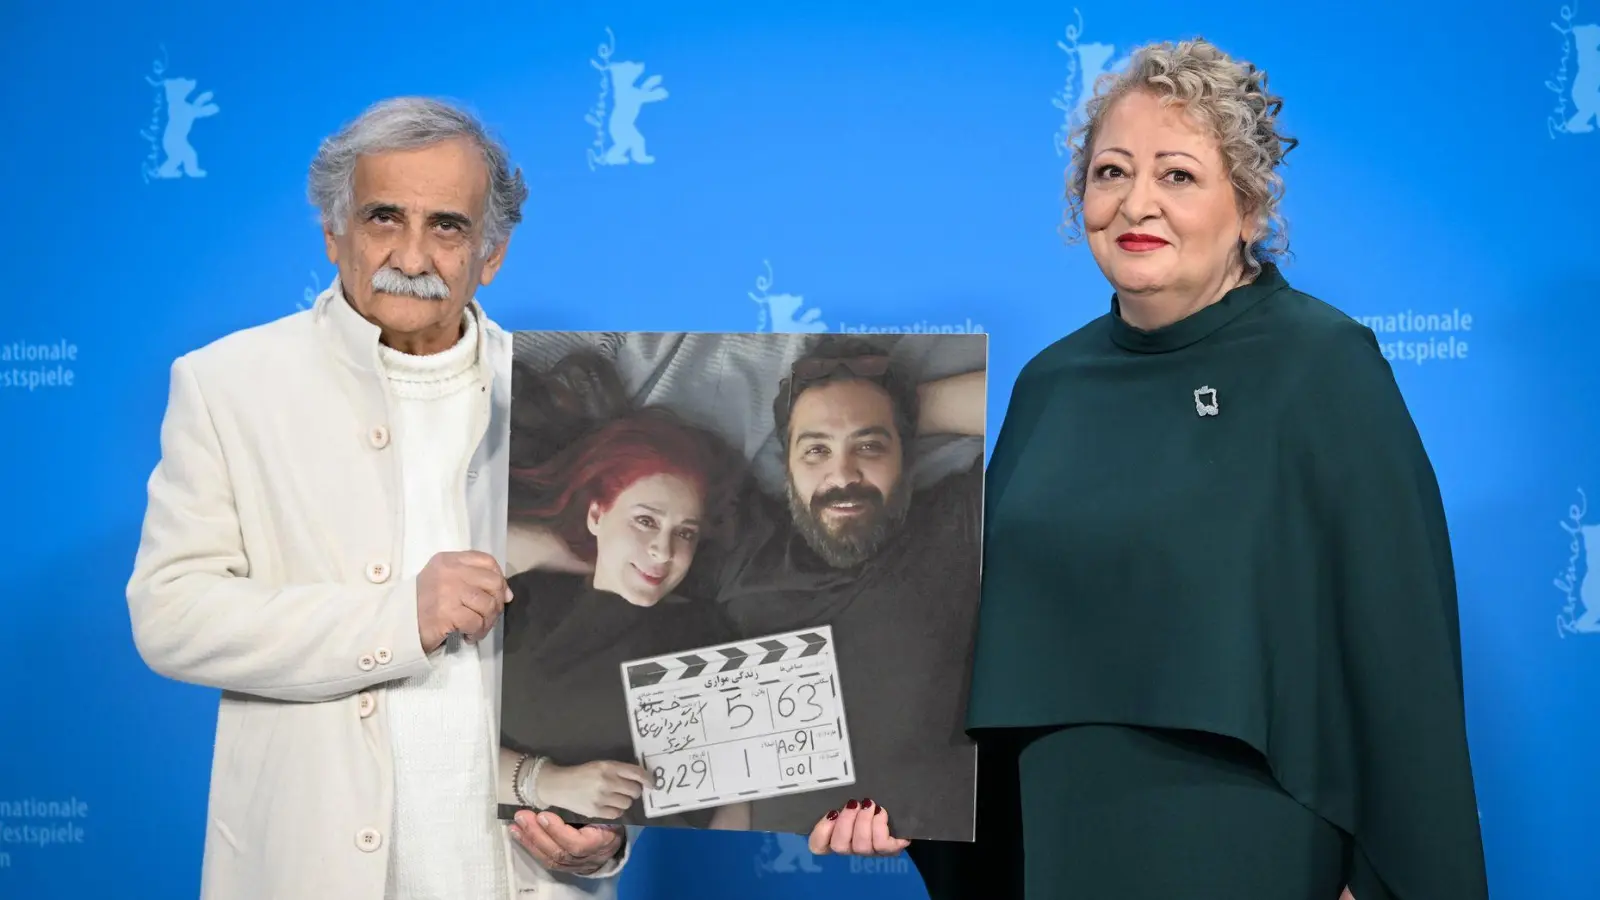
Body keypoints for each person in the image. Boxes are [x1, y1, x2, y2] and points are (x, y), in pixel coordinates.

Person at [808, 38, 1491, 900]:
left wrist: (1385, 881)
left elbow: (1400, 650)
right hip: (1061, 842)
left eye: (1177, 175)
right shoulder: (1051, 383)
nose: (1136, 203)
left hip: (1249, 845)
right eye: (1110, 172)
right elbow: (987, 650)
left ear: (1247, 204)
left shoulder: (1322, 366)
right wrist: (909, 794)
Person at [124, 97, 633, 900]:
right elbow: (171, 616)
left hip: (518, 878)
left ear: (491, 254)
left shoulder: (557, 400)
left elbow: (617, 649)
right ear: (333, 233)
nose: (412, 253)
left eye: (448, 227)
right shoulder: (229, 386)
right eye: (383, 218)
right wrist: (401, 619)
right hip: (309, 869)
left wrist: (601, 842)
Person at [678, 335, 987, 841]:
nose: (842, 474)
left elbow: (1059, 413)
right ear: (786, 469)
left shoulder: (955, 527)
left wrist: (910, 407)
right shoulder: (738, 547)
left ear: (906, 455)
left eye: (868, 447)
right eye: (816, 449)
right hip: (743, 860)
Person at [493, 352, 752, 831]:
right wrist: (547, 782)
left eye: (686, 532)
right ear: (595, 515)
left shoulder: (707, 633)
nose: (663, 550)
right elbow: (434, 742)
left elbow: (737, 796)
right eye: (645, 520)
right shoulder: (524, 600)